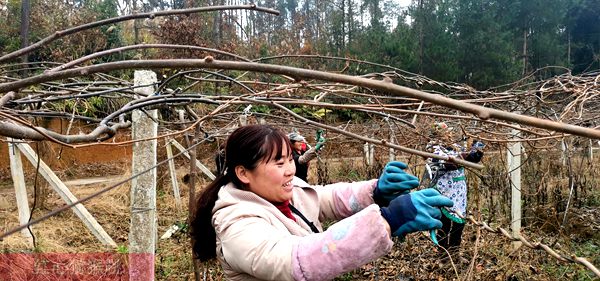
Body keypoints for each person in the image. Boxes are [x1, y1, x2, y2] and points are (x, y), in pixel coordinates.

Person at [192, 124, 454, 280]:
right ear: (243, 173)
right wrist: (387, 220)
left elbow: (324, 198)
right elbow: (297, 261)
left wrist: (376, 191)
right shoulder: (237, 226)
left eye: (289, 159)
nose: (290, 170)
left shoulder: (280, 192)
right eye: (278, 162)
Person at [425, 122, 484, 262]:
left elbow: (472, 158)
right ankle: (443, 255)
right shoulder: (433, 150)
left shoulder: (455, 148)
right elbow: (450, 164)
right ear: (439, 136)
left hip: (459, 195)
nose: (450, 135)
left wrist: (478, 144)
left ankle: (454, 254)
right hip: (443, 194)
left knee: (459, 224)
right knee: (444, 225)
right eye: (447, 133)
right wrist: (464, 156)